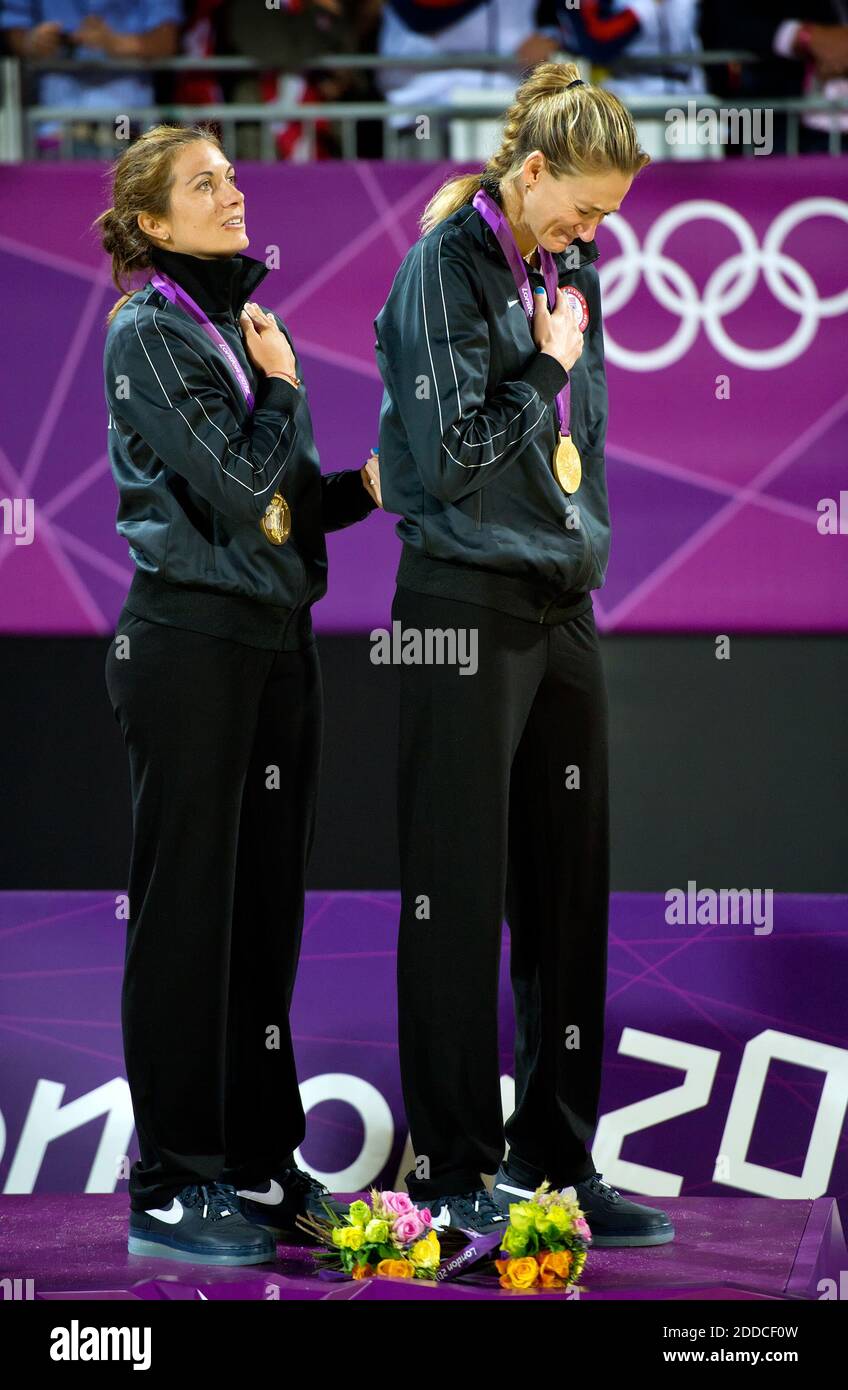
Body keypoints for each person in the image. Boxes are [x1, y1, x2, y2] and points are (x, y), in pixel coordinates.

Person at [374, 61, 674, 1245]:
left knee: (565, 893)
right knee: (456, 892)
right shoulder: (439, 267)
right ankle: (454, 1166)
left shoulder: (568, 265)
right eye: (585, 206)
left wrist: (578, 540)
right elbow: (444, 457)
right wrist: (546, 362)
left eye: (607, 218)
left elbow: (573, 446)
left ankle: (554, 1156)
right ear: (531, 168)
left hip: (558, 604)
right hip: (456, 604)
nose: (597, 233)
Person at [98, 123, 381, 1265]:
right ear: (154, 224)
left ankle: (262, 1163)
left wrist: (367, 485)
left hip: (275, 644)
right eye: (203, 183)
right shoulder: (147, 331)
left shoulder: (236, 327)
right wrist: (280, 386)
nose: (233, 191)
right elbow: (235, 478)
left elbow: (282, 507)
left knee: (263, 913)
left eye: (232, 174)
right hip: (188, 645)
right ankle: (170, 1177)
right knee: (188, 918)